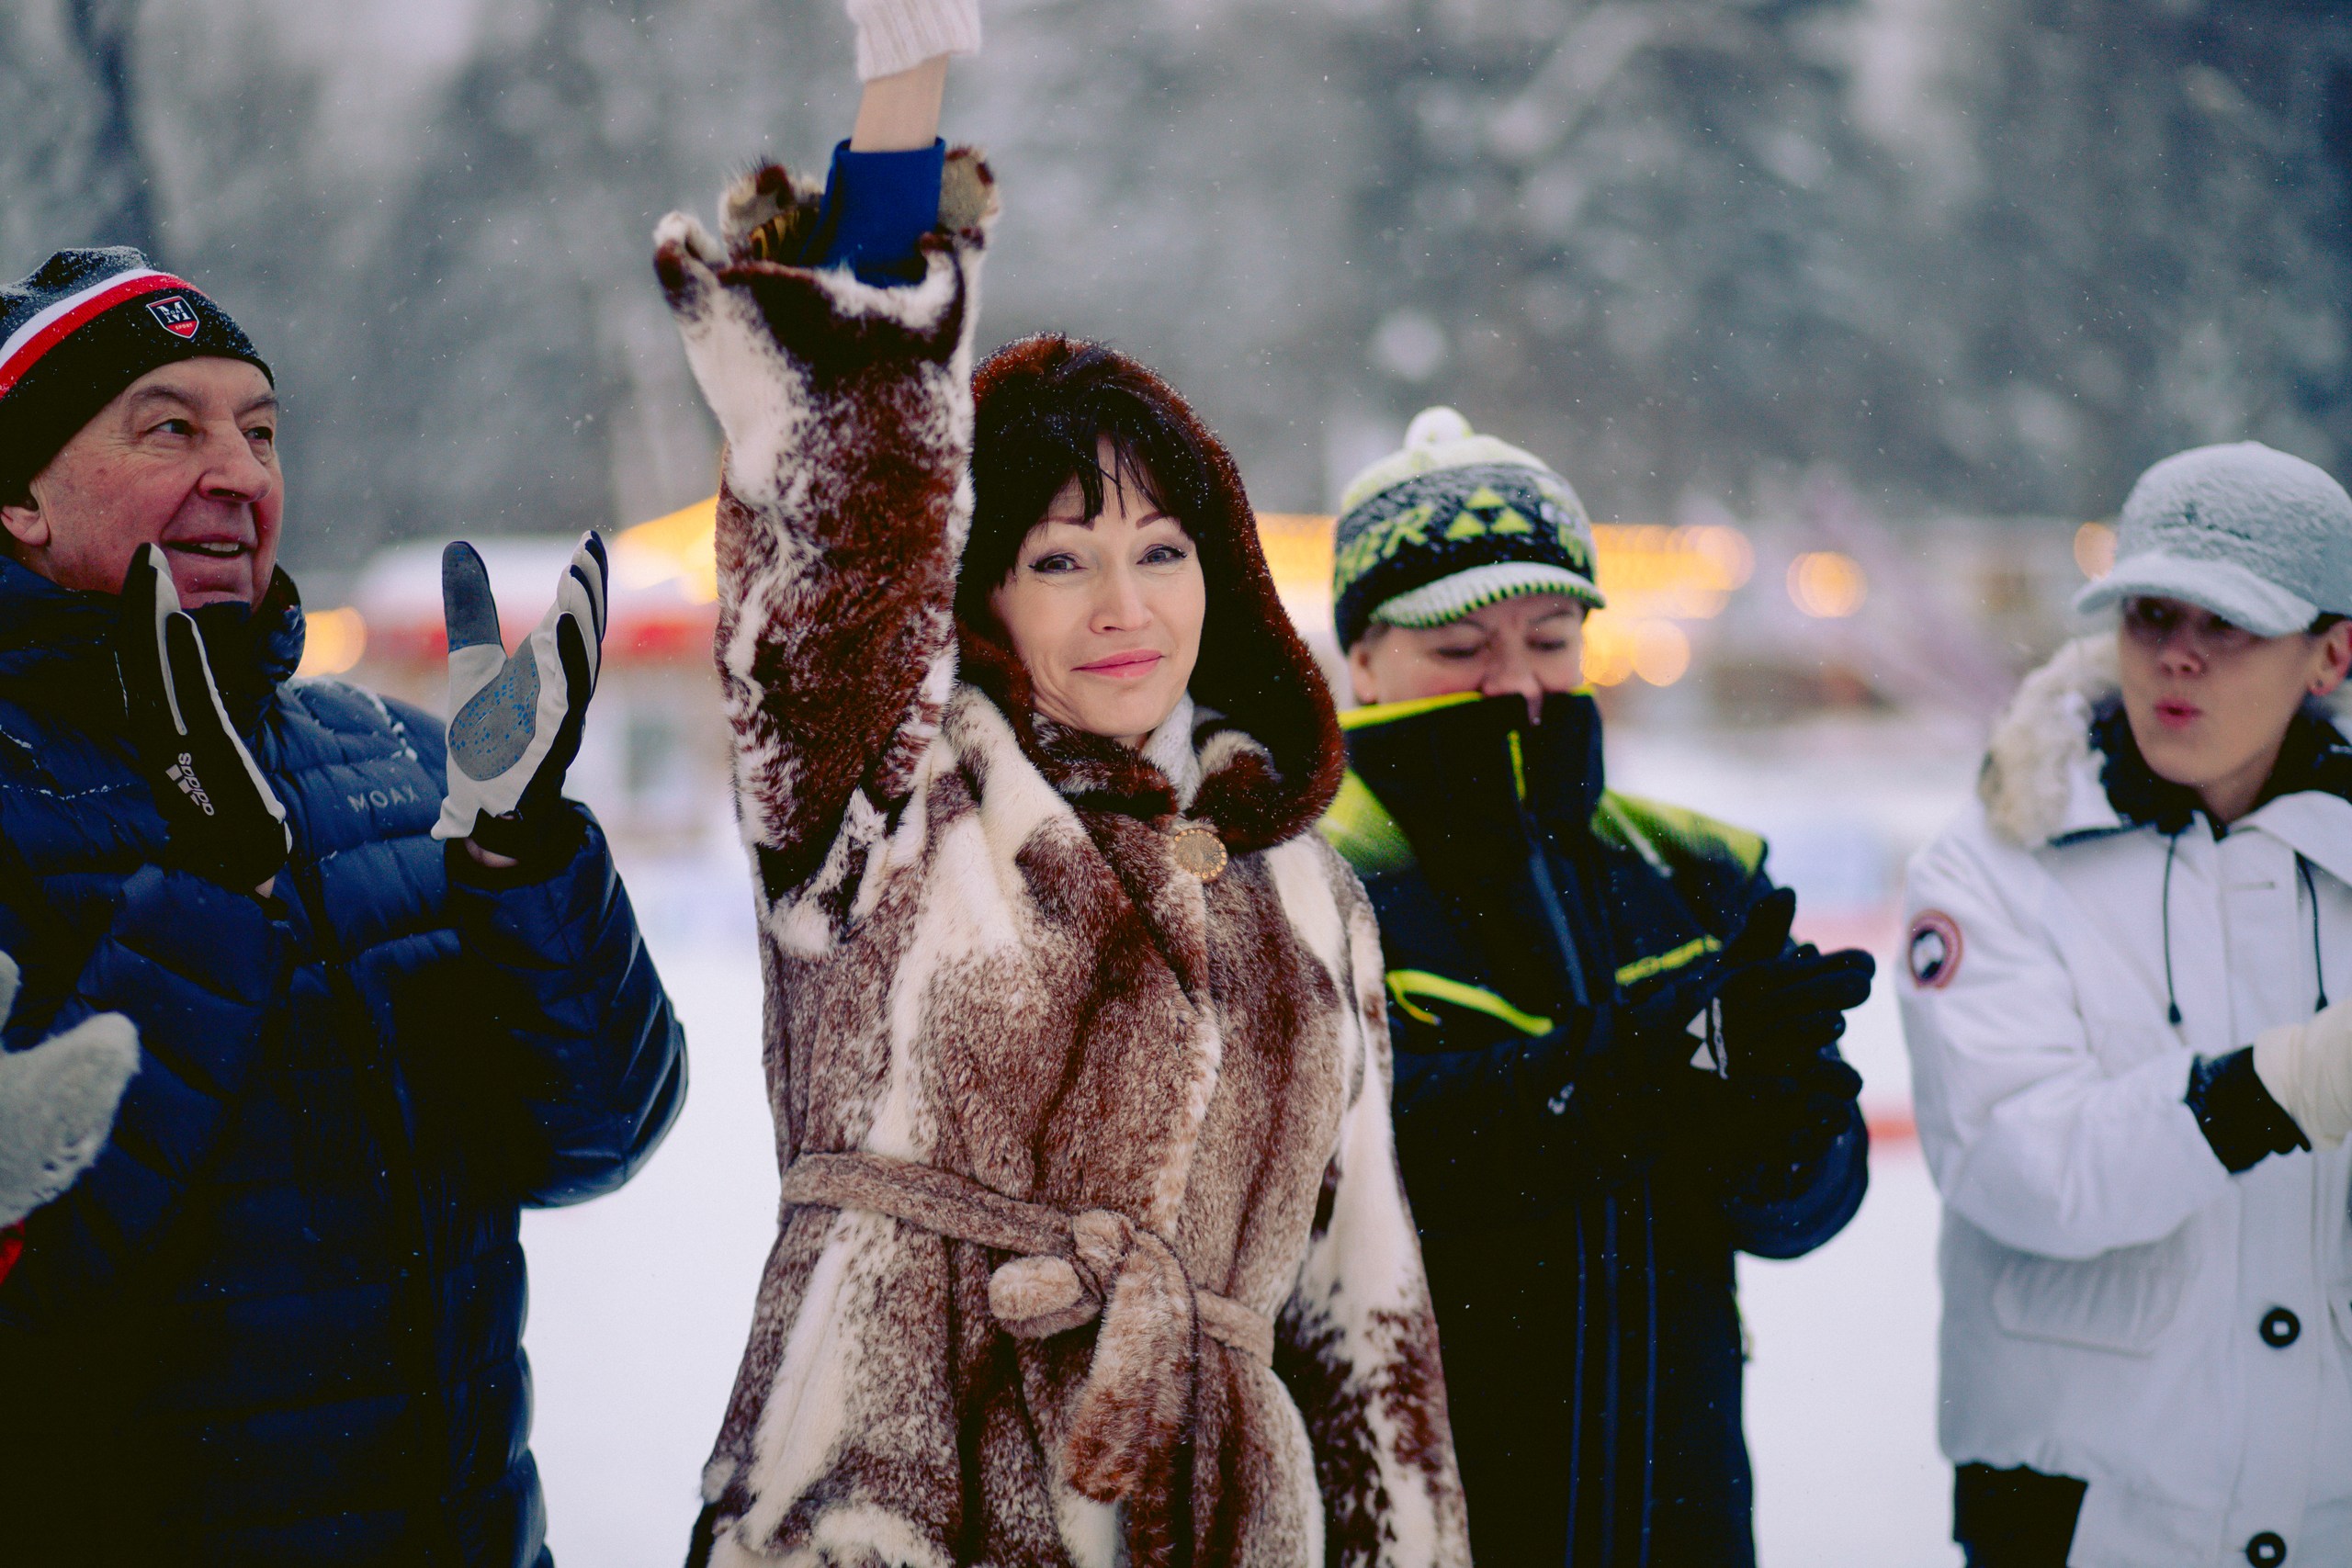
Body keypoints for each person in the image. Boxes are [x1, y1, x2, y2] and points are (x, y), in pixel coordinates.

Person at [652, 9, 1468, 1564]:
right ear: (978, 596)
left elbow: (1367, 1327)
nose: (1124, 606)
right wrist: (906, 96)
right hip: (893, 1509)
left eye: (1162, 552)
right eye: (1061, 557)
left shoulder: (1309, 893)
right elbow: (847, 510)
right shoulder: (890, 807)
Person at [0, 247, 688, 1564]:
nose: (241, 470)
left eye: (260, 430)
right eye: (171, 426)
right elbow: (31, 1276)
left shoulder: (389, 754)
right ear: (21, 493)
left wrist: (521, 856)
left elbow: (596, 1131)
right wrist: (206, 895)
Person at [1320, 407, 1876, 1565]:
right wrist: (1648, 1072)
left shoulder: (1702, 870)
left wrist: (1785, 1126)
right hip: (1413, 1519)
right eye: (1459, 645)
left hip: (1678, 1510)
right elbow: (1354, 1165)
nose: (1513, 683)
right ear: (1361, 659)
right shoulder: (1302, 879)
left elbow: (1804, 1212)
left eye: (1551, 637)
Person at [1902, 442, 2352, 1567]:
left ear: (2330, 655)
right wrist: (2282, 1086)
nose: (2177, 660)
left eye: (2229, 626)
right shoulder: (1995, 861)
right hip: (2082, 1518)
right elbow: (2019, 1166)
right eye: (2152, 615)